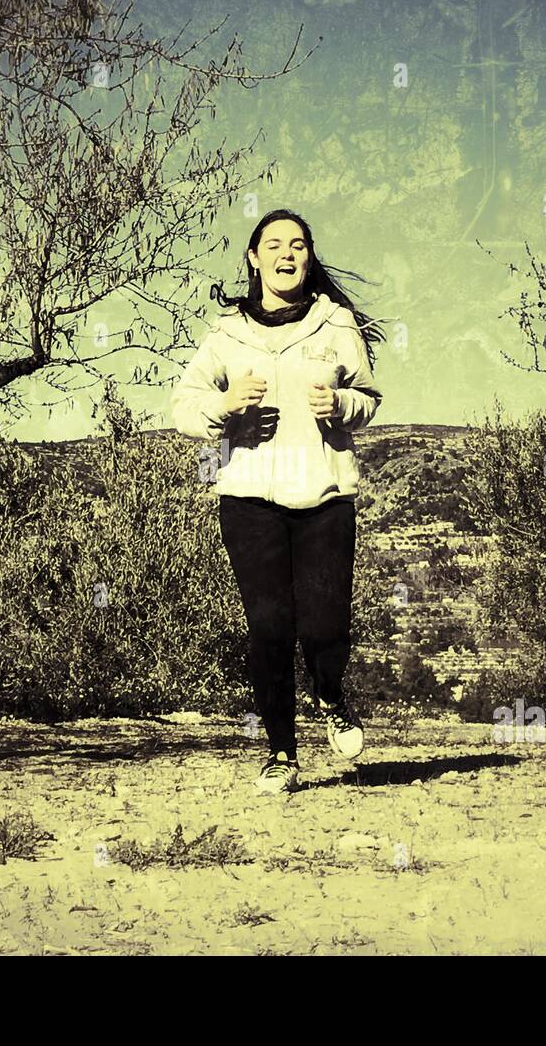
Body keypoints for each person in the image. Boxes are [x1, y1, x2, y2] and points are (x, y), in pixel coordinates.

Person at [169, 208, 384, 794]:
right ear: (254, 259)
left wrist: (340, 405)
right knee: (268, 624)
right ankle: (282, 754)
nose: (287, 254)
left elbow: (368, 397)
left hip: (323, 494)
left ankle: (331, 692)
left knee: (325, 624)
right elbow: (183, 408)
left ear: (309, 257)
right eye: (275, 245)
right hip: (249, 495)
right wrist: (225, 404)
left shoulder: (335, 323)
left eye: (298, 245)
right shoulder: (225, 333)